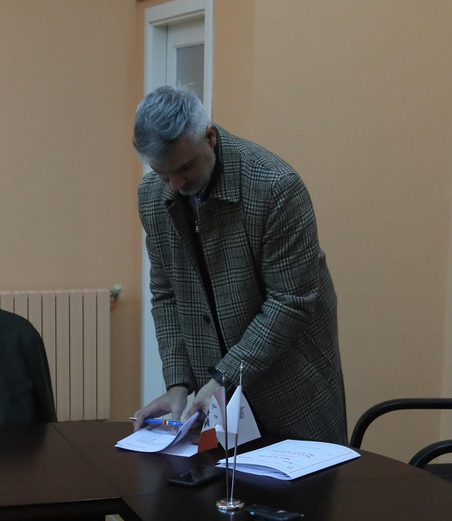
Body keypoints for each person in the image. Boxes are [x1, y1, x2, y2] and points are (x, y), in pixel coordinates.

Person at [130, 86, 346, 444]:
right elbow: (166, 292)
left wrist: (222, 377)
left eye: (185, 167)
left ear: (210, 137)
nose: (177, 185)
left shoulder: (275, 187)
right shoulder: (152, 196)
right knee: (218, 482)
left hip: (291, 387)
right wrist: (177, 383)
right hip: (215, 395)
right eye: (163, 173)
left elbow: (290, 302)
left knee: (307, 482)